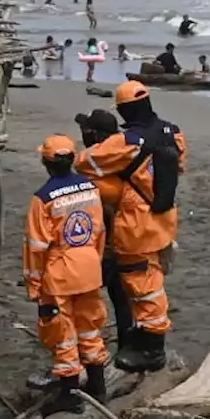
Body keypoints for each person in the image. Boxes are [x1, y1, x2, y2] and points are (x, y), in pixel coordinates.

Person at [76, 82, 188, 372]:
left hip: (138, 223)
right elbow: (178, 166)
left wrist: (119, 181)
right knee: (150, 278)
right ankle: (145, 335)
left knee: (143, 284)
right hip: (164, 215)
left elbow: (84, 163)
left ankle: (153, 349)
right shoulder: (174, 132)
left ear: (124, 110)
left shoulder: (126, 141)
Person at [22, 136, 109, 413]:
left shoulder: (43, 198)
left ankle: (70, 395)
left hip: (60, 274)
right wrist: (94, 260)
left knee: (64, 335)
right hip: (88, 267)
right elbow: (99, 231)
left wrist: (34, 285)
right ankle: (98, 386)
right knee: (90, 328)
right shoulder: (91, 188)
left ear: (45, 163)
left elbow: (36, 247)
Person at [75, 110, 134, 352]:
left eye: (86, 130)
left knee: (87, 302)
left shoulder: (90, 167)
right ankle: (124, 348)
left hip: (101, 247)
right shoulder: (124, 163)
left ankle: (91, 353)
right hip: (122, 242)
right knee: (122, 302)